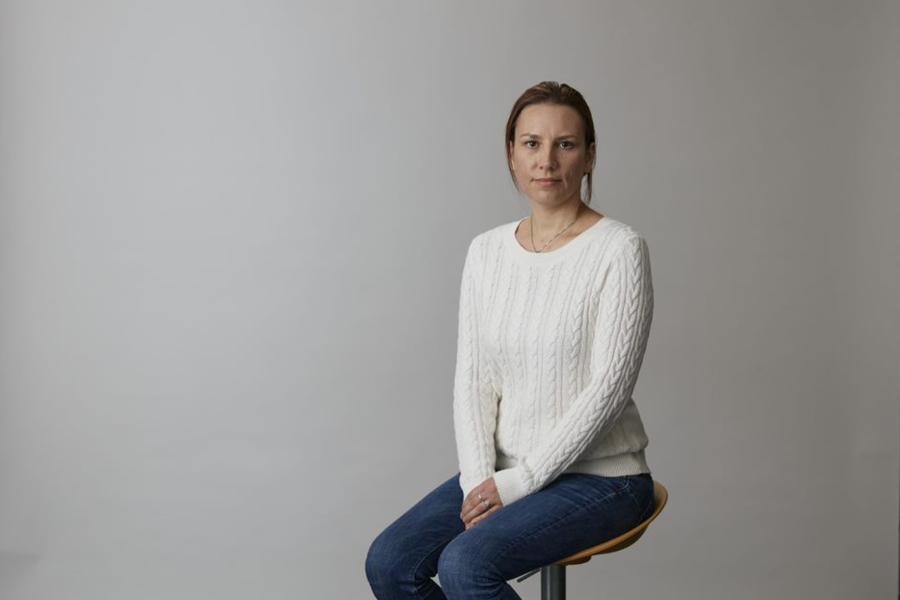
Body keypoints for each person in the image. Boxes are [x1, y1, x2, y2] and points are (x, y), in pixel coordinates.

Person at [365, 81, 656, 600]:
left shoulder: (620, 250)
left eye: (565, 144)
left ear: (589, 157)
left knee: (465, 568)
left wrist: (519, 483)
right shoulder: (487, 252)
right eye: (531, 144)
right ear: (511, 155)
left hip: (602, 480)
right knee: (390, 562)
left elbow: (608, 391)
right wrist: (482, 480)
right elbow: (474, 381)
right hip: (502, 470)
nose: (547, 160)